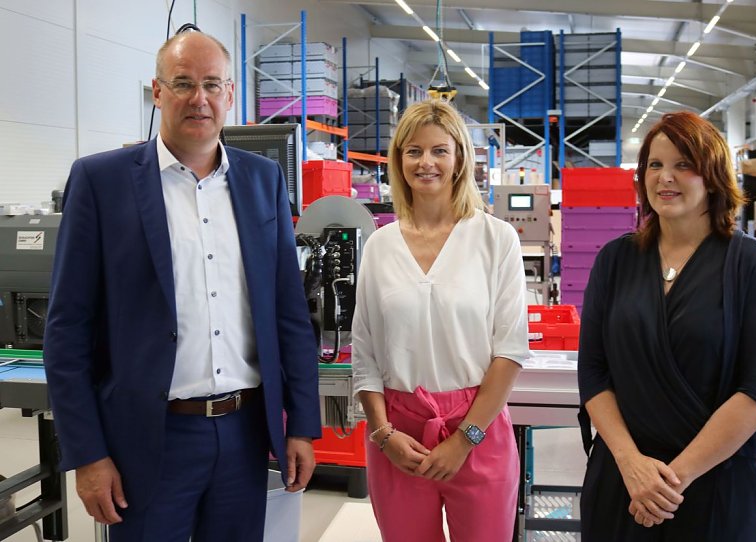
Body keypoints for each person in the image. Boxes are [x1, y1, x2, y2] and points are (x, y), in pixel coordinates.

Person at [43, 30, 320, 541]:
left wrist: (301, 424)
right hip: (148, 438)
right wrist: (88, 453)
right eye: (184, 83)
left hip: (244, 432)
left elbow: (288, 314)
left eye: (213, 84)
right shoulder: (101, 182)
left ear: (231, 94)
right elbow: (67, 330)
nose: (200, 98)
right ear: (157, 91)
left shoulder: (263, 182)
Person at [577, 111, 756, 541]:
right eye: (654, 165)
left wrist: (672, 481)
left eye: (683, 165)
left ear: (712, 176)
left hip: (714, 483)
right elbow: (594, 372)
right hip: (623, 478)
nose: (665, 178)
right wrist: (631, 464)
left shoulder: (751, 265)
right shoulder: (615, 260)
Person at [351, 99, 531, 541]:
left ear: (459, 159)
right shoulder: (379, 245)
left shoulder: (496, 239)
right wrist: (382, 433)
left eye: (439, 150)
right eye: (413, 151)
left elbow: (509, 350)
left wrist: (465, 437)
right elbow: (365, 352)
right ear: (398, 160)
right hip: (399, 436)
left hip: (478, 427)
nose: (425, 162)